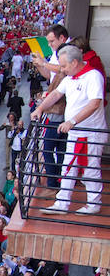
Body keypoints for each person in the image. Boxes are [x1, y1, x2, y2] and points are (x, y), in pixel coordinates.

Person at [33, 44, 107, 214]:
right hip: (76, 132)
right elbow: (55, 95)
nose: (62, 69)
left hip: (91, 133)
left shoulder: (93, 76)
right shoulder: (69, 79)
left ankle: (94, 203)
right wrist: (40, 109)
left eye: (64, 66)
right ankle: (62, 203)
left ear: (74, 63)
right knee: (68, 166)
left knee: (90, 168)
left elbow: (95, 103)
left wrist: (72, 121)